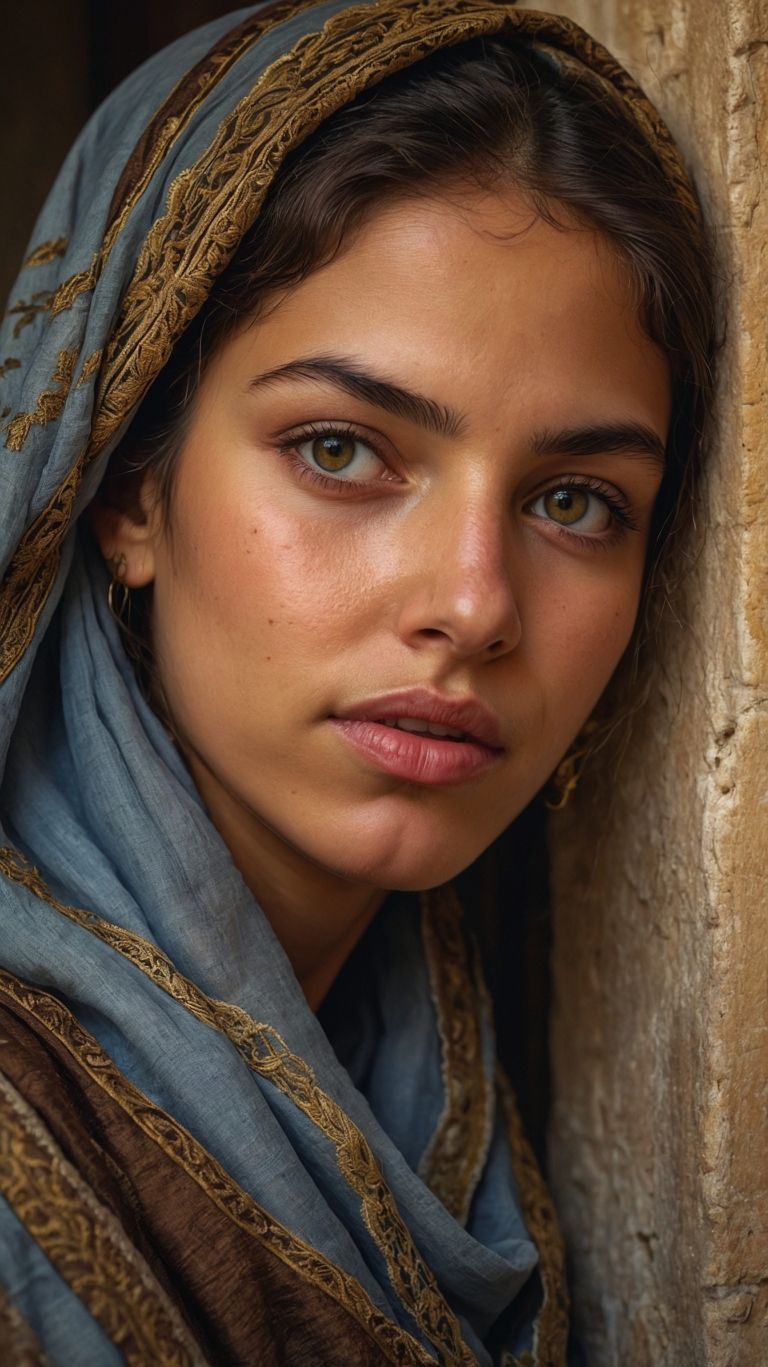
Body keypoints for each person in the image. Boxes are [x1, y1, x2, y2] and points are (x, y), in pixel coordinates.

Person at [0, 2, 714, 1364]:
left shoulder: (448, 1115)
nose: (474, 603)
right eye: (341, 451)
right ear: (127, 485)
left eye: (576, 498)